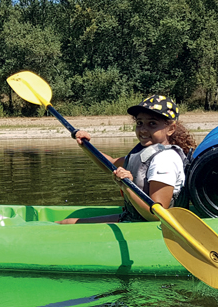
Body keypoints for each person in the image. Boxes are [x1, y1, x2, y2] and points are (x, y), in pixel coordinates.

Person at [58, 95, 196, 224]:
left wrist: (127, 186)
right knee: (66, 222)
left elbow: (157, 216)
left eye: (152, 124)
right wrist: (85, 146)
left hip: (152, 227)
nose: (143, 130)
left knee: (66, 224)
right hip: (134, 219)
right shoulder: (147, 152)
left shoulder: (165, 160)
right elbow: (110, 164)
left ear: (171, 128)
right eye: (140, 123)